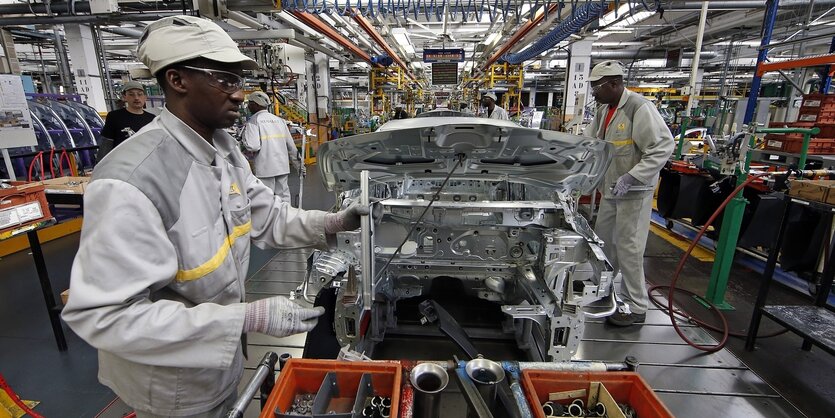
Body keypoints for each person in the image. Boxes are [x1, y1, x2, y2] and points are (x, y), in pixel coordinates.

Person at [61, 15, 370, 418]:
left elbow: (266, 215)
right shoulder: (132, 180)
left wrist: (330, 224)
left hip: (219, 361)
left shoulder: (223, 148)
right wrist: (247, 316)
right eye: (224, 79)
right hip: (169, 385)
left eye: (239, 81)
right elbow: (104, 315)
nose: (240, 94)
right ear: (177, 80)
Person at [585, 60, 674, 327]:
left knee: (629, 248)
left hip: (633, 191)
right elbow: (588, 142)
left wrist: (633, 175)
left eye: (597, 88)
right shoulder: (605, 110)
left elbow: (662, 147)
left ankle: (636, 307)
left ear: (614, 83)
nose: (594, 94)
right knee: (604, 243)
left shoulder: (638, 107)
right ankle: (603, 291)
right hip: (610, 189)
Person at [242, 91, 304, 202]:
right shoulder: (280, 121)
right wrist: (299, 166)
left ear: (255, 104)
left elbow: (253, 146)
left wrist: (243, 139)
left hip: (265, 168)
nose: (249, 106)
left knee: (266, 199)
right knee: (284, 197)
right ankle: (286, 218)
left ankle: (269, 219)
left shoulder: (253, 122)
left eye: (250, 103)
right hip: (282, 166)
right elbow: (291, 147)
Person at [98, 81, 156, 157]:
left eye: (140, 94)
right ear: (124, 97)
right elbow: (106, 144)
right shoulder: (114, 116)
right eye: (131, 94)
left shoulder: (152, 118)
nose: (136, 98)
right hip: (123, 164)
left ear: (145, 97)